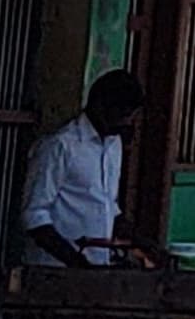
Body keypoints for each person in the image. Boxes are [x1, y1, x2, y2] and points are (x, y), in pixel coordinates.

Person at [22, 69, 148, 268]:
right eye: (122, 115)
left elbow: (107, 206)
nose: (127, 122)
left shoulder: (114, 145)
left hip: (97, 267)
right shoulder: (60, 146)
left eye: (131, 116)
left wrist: (144, 244)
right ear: (100, 106)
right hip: (54, 270)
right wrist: (76, 262)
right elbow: (34, 216)